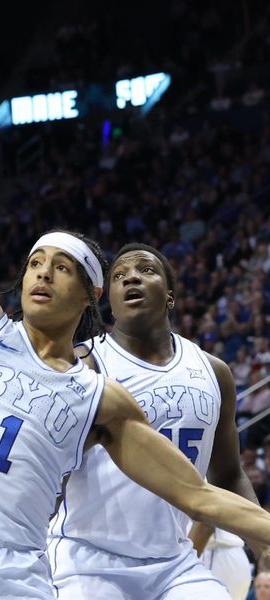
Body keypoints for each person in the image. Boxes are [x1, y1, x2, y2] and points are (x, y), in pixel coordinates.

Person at [0, 8, 270, 599]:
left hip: (24, 567)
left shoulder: (100, 398)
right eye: (35, 263)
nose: (41, 275)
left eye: (61, 269)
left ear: (89, 296)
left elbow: (198, 495)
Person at [48, 243, 258, 600]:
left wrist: (262, 542)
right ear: (109, 302)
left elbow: (228, 475)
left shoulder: (214, 371)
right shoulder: (83, 365)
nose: (131, 276)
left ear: (170, 295)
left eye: (146, 270)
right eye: (118, 275)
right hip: (87, 558)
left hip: (174, 561)